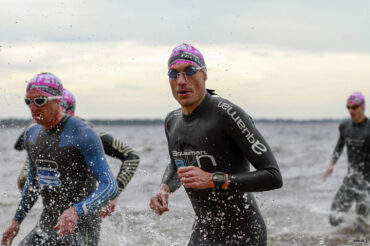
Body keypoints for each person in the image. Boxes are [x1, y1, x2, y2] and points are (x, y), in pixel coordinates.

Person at [149, 43, 283, 246]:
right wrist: (165, 188)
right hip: (204, 233)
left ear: (204, 75)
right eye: (173, 74)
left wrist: (214, 179)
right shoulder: (172, 121)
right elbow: (178, 165)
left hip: (243, 234)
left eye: (190, 71)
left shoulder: (227, 114)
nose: (181, 81)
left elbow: (273, 176)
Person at [1, 72, 118, 246]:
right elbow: (33, 182)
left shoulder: (83, 134)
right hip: (47, 225)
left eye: (40, 101)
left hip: (81, 227)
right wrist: (16, 221)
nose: (33, 107)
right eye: (28, 101)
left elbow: (110, 186)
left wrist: (76, 211)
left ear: (57, 101)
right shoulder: (31, 135)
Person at [15, 89, 140, 218]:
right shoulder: (37, 129)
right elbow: (18, 146)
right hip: (51, 199)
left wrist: (113, 194)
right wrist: (33, 126)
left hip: (80, 204)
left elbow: (131, 156)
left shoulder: (86, 133)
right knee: (25, 180)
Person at [323, 91, 370, 231]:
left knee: (360, 227)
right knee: (334, 219)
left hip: (367, 184)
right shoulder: (344, 127)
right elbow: (339, 146)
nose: (351, 110)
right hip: (350, 180)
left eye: (354, 107)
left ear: (363, 107)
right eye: (348, 107)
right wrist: (331, 165)